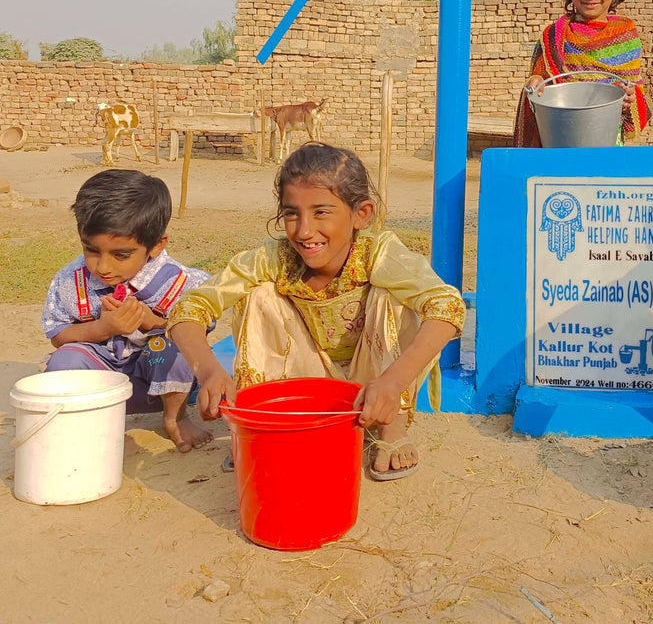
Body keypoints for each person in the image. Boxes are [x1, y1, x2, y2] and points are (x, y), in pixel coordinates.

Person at [167, 142, 466, 481]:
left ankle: (390, 428)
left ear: (361, 214)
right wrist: (208, 371)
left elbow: (447, 305)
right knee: (260, 294)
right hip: (305, 385)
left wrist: (393, 381)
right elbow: (189, 306)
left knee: (393, 295)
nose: (304, 230)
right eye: (292, 213)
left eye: (321, 212)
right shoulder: (274, 258)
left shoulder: (378, 254)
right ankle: (267, 425)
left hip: (374, 382)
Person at [42, 169, 213, 451]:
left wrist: (152, 322)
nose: (103, 267)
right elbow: (57, 335)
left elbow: (197, 333)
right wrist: (102, 328)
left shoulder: (181, 283)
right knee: (63, 360)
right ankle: (84, 422)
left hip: (157, 388)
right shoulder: (71, 281)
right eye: (91, 250)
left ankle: (176, 418)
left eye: (121, 255)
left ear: (157, 245)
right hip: (102, 379)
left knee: (174, 349)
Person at [513, 0, 651, 147]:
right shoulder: (554, 36)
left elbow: (633, 91)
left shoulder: (625, 37)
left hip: (608, 141)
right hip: (560, 138)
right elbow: (540, 80)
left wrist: (629, 100)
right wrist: (534, 83)